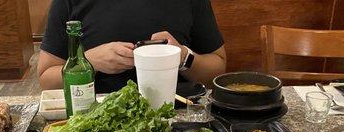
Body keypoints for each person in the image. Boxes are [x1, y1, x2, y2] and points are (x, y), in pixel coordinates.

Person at [37, 0, 227, 93]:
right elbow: (47, 79)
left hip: (176, 119)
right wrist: (89, 63)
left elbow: (216, 70)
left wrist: (183, 57)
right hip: (95, 121)